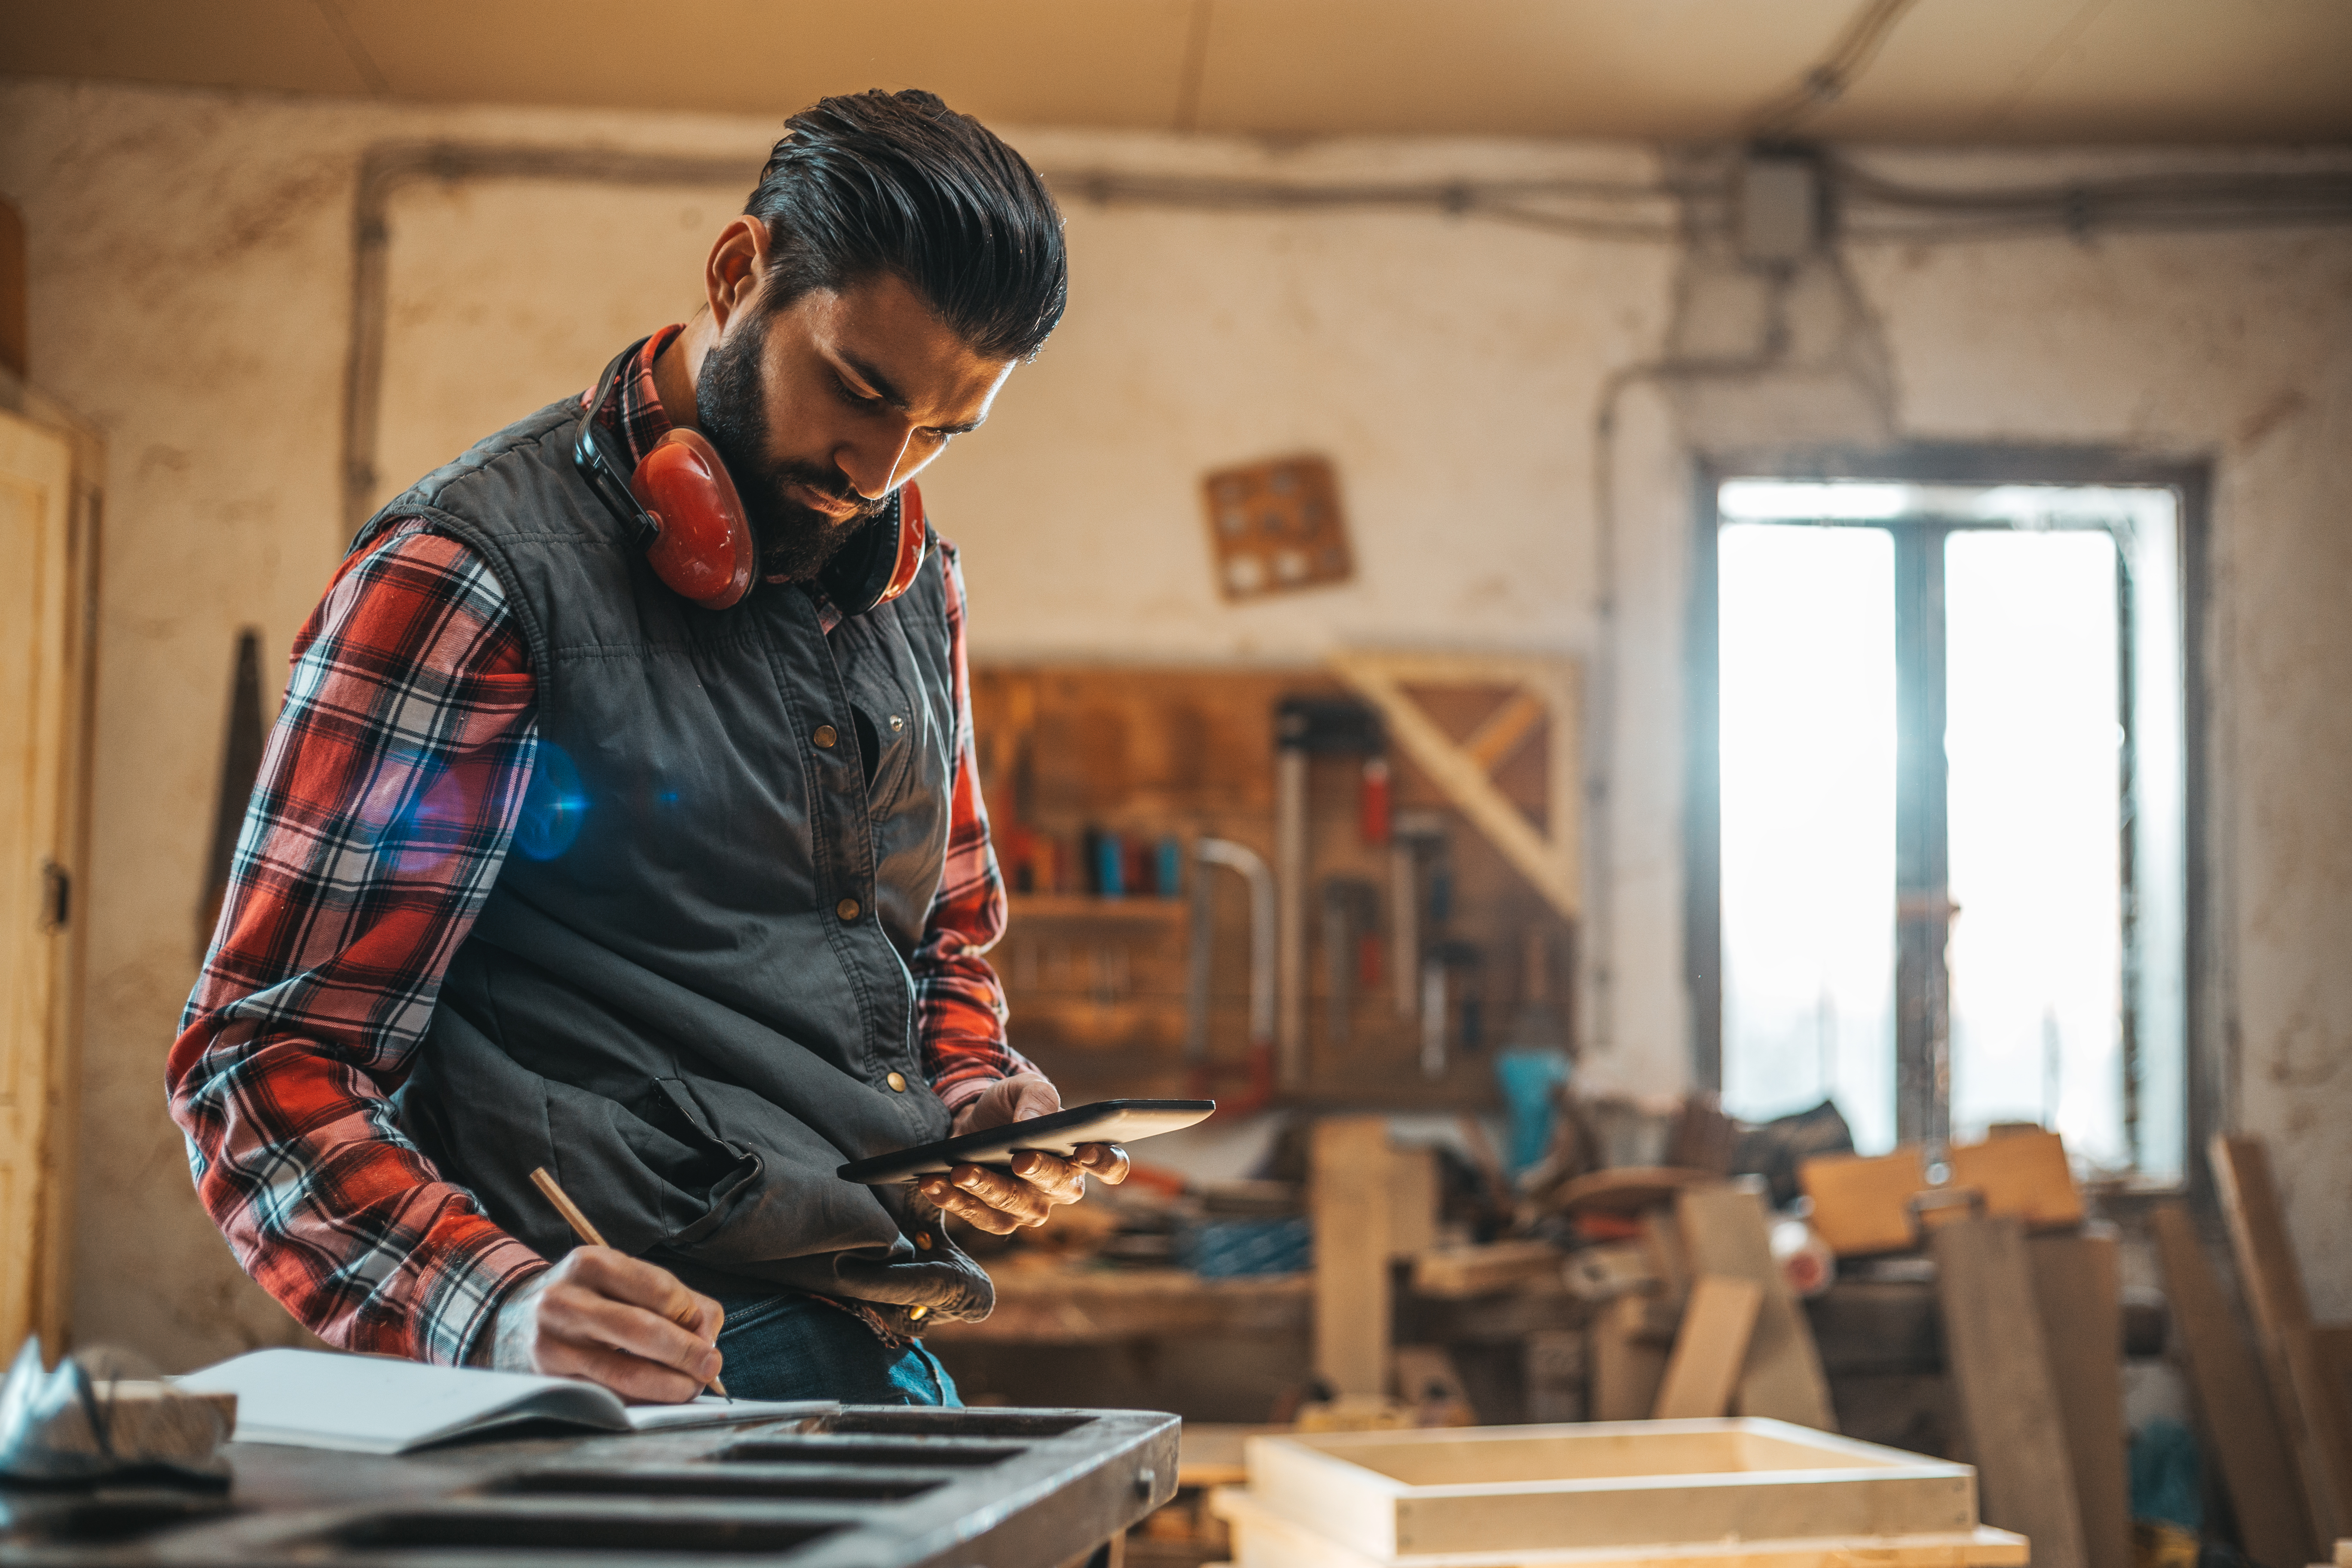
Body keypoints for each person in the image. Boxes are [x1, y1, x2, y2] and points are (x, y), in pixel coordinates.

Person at [166, 89, 1121, 1407]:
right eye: (858, 388)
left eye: (944, 433)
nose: (880, 469)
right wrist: (495, 1311)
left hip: (872, 1341)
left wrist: (974, 1098)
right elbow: (264, 1064)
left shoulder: (914, 585)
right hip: (633, 1382)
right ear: (740, 274)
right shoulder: (469, 579)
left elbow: (941, 935)